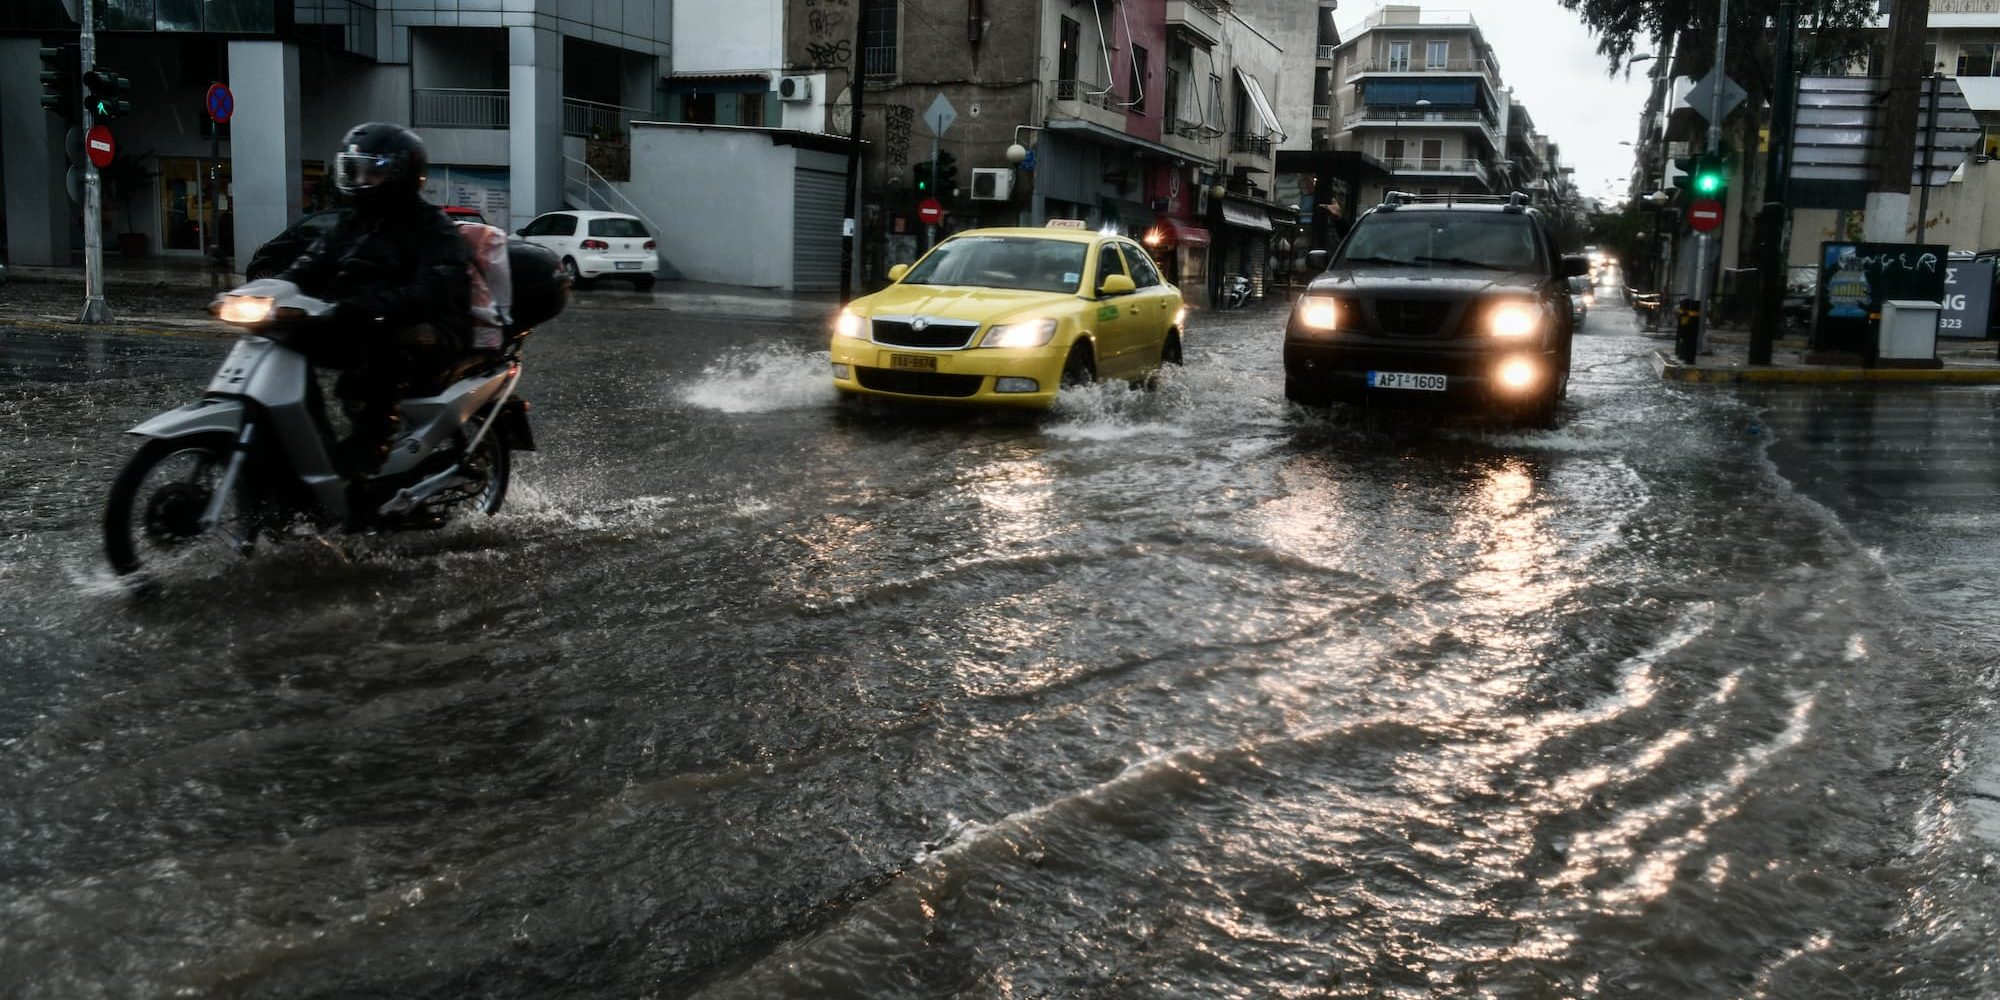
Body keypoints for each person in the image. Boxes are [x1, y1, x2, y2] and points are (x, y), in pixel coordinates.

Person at [279, 122, 471, 492]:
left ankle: (374, 439)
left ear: (402, 173)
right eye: (356, 170)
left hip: (435, 329)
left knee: (384, 335)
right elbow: (310, 264)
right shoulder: (351, 224)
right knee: (290, 334)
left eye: (373, 171)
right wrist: (269, 290)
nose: (361, 179)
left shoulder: (433, 228)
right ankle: (309, 440)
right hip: (364, 316)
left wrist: (371, 307)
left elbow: (435, 290)